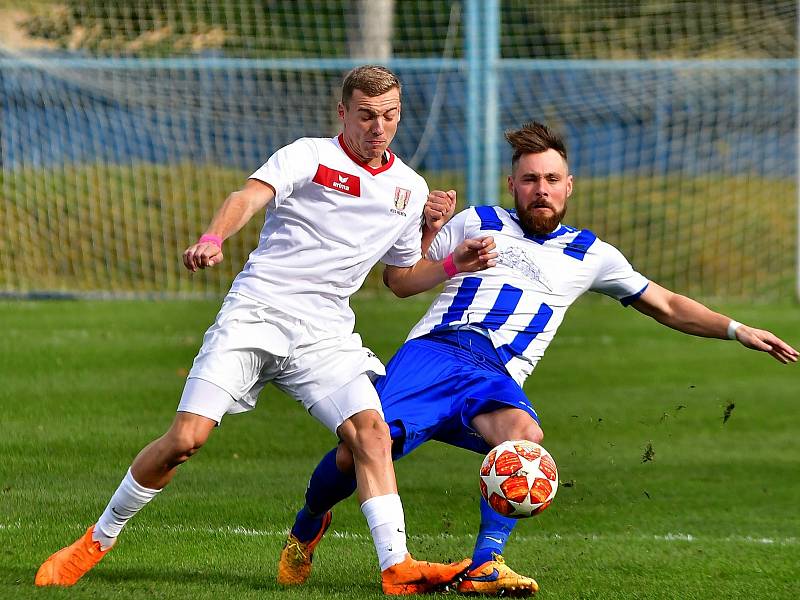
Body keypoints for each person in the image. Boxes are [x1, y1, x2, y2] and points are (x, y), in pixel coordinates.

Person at [276, 121, 799, 596]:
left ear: (568, 186)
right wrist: (431, 233)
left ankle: (485, 563)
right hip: (436, 351)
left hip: (495, 374)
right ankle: (307, 526)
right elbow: (399, 282)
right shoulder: (477, 220)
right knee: (358, 453)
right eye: (530, 180)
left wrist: (737, 329)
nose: (541, 189)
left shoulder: (593, 254)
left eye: (551, 179)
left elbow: (666, 304)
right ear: (513, 186)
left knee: (525, 440)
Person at [35, 65, 500, 595]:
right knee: (186, 440)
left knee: (370, 433)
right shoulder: (308, 155)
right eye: (367, 115)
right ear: (342, 112)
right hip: (255, 313)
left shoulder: (408, 188)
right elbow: (248, 196)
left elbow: (398, 280)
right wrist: (213, 237)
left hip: (324, 332)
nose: (379, 126)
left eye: (390, 115)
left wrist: (451, 263)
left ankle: (397, 567)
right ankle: (97, 539)